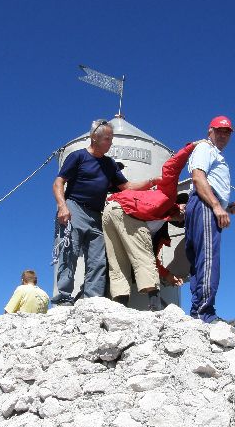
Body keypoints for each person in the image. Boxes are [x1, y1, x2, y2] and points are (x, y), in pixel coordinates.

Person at [52, 118, 157, 305]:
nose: (111, 142)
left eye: (111, 138)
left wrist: (152, 182)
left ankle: (92, 300)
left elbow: (127, 186)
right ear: (94, 138)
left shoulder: (109, 164)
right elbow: (58, 182)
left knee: (98, 259)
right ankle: (63, 299)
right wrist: (62, 206)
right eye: (107, 139)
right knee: (70, 252)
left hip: (97, 214)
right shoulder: (78, 156)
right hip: (74, 207)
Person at [103, 141, 205, 310]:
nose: (182, 217)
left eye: (183, 220)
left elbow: (156, 262)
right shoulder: (168, 197)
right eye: (184, 212)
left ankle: (119, 307)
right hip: (123, 210)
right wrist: (191, 147)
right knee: (144, 259)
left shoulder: (160, 230)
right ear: (180, 206)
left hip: (111, 212)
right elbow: (171, 168)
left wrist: (169, 275)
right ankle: (155, 307)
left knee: (119, 262)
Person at [185, 116, 235, 324]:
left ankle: (198, 310)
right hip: (204, 205)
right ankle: (204, 312)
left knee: (200, 260)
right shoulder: (205, 149)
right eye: (219, 130)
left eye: (227, 132)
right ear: (210, 130)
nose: (223, 135)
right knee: (209, 258)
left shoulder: (213, 153)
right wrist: (217, 207)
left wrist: (227, 207)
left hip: (203, 204)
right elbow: (198, 178)